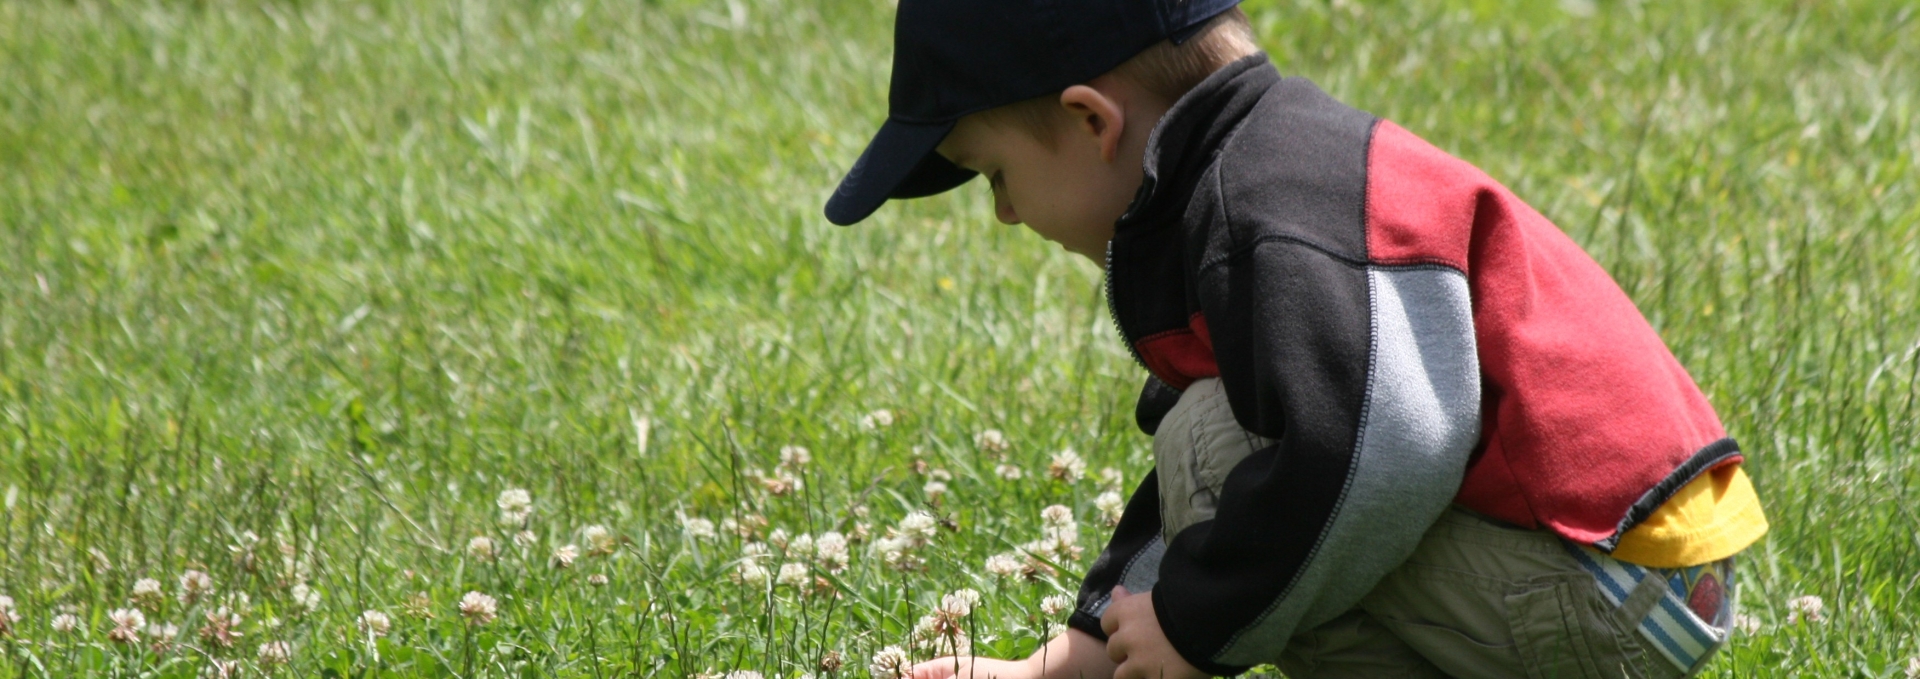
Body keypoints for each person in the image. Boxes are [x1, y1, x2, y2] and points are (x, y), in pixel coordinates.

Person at [822, 1, 1769, 677]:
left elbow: (1386, 447)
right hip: (1629, 573)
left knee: (1231, 460)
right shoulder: (1253, 168)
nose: (1003, 215)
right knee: (1233, 458)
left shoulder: (1270, 207)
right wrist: (1073, 654)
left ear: (1088, 120)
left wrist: (1196, 628)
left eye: (993, 175)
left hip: (1609, 585)